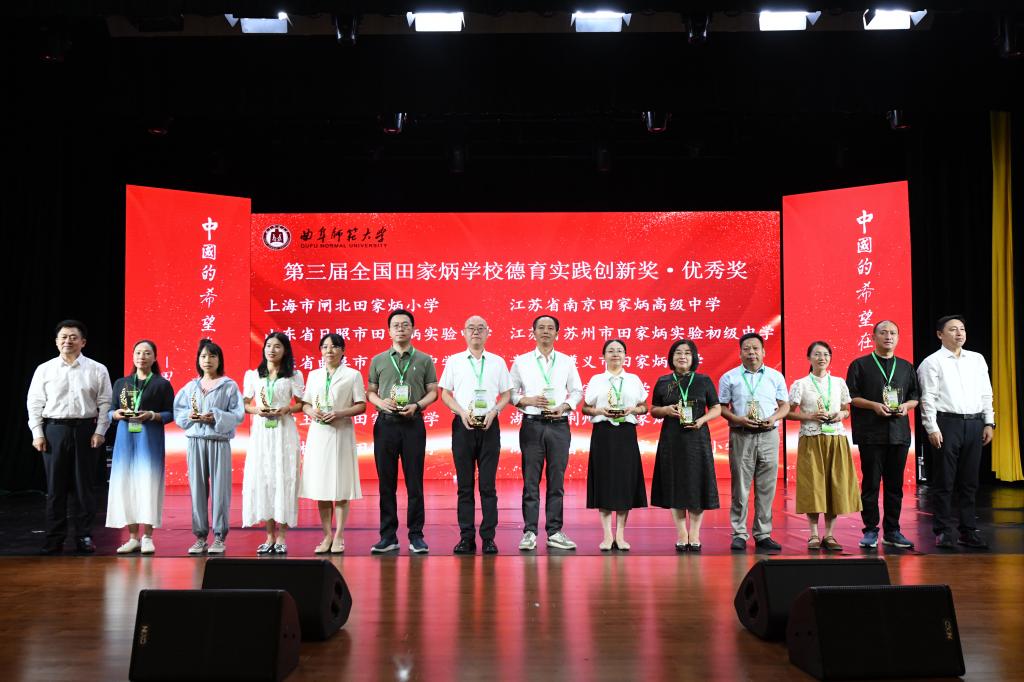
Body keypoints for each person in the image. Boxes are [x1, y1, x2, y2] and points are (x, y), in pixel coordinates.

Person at [27, 320, 112, 554]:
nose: (68, 341)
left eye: (73, 337)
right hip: (54, 431)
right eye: (63, 337)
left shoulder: (97, 369)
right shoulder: (44, 369)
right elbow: (34, 403)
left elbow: (105, 402)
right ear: (56, 342)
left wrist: (100, 431)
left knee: (85, 487)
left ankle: (84, 536)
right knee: (55, 488)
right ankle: (54, 538)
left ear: (83, 342)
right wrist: (37, 433)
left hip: (86, 431)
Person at [917, 315, 995, 550]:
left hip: (974, 422)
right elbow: (927, 398)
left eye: (962, 329)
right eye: (953, 329)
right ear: (940, 334)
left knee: (970, 481)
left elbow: (986, 393)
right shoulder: (932, 362)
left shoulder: (977, 359)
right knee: (944, 480)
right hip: (946, 423)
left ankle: (968, 530)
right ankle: (943, 531)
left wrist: (989, 422)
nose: (959, 333)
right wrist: (932, 427)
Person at [438, 315, 512, 555]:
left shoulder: (497, 362)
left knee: (488, 486)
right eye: (471, 328)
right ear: (464, 332)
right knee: (465, 486)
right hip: (463, 427)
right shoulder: (455, 361)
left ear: (488, 332)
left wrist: (494, 411)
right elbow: (445, 393)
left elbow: (507, 394)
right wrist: (461, 412)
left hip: (490, 426)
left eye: (481, 328)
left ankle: (488, 538)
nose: (476, 332)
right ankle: (466, 538)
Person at [366, 309, 438, 554]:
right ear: (389, 331)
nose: (400, 328)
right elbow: (370, 392)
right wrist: (380, 402)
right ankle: (388, 536)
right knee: (386, 484)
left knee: (414, 483)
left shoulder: (424, 359)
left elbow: (433, 391)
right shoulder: (378, 360)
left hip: (413, 424)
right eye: (395, 325)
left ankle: (416, 536)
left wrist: (417, 405)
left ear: (413, 329)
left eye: (405, 324)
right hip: (385, 425)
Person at [510, 314, 584, 551]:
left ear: (557, 334)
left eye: (550, 328)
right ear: (533, 332)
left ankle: (554, 531)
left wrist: (565, 405)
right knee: (531, 480)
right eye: (540, 327)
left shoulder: (566, 361)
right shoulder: (521, 361)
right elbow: (510, 393)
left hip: (559, 425)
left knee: (557, 481)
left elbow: (577, 391)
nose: (545, 331)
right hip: (532, 424)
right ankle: (530, 532)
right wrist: (527, 400)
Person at [846, 320, 920, 549]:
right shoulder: (860, 365)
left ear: (898, 338)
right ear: (873, 337)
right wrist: (874, 406)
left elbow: (915, 396)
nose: (889, 336)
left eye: (893, 333)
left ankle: (893, 531)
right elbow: (851, 397)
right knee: (870, 484)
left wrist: (906, 406)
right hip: (871, 433)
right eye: (883, 332)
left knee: (895, 486)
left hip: (898, 434)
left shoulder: (906, 367)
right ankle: (870, 530)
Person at [718, 332, 790, 552]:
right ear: (740, 353)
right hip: (741, 434)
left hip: (768, 434)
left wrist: (774, 418)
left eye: (755, 348)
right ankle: (739, 533)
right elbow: (721, 407)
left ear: (763, 352)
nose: (751, 352)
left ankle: (763, 534)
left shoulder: (775, 376)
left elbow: (785, 406)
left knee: (766, 487)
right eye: (747, 349)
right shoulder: (729, 377)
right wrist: (737, 419)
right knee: (740, 486)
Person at [787, 341, 860, 552]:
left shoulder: (838, 383)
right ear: (808, 358)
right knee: (813, 485)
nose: (822, 358)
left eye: (826, 354)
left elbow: (846, 410)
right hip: (812, 438)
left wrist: (840, 415)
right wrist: (810, 416)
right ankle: (813, 534)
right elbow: (788, 413)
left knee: (834, 485)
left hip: (836, 438)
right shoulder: (800, 384)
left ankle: (829, 534)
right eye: (817, 354)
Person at [172, 339, 244, 555]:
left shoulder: (229, 385)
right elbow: (179, 412)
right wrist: (191, 416)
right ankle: (200, 536)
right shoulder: (190, 386)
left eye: (212, 356)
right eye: (203, 356)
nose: (207, 360)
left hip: (219, 441)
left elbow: (238, 414)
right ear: (198, 360)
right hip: (195, 441)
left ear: (219, 360)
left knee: (221, 490)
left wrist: (216, 416)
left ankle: (219, 536)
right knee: (197, 489)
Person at [650, 339, 721, 552]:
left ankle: (695, 533)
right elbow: (653, 410)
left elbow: (716, 408)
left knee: (697, 484)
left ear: (694, 358)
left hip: (697, 438)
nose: (682, 356)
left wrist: (701, 420)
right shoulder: (663, 381)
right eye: (678, 353)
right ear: (671, 357)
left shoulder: (703, 380)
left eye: (687, 353)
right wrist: (666, 410)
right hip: (672, 440)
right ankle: (682, 533)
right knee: (676, 485)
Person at [106, 339, 175, 555]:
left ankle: (147, 537)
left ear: (154, 358)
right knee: (125, 485)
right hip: (125, 440)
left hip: (149, 440)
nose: (141, 357)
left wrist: (152, 415)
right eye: (138, 353)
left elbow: (170, 413)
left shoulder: (162, 384)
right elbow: (111, 410)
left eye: (147, 353)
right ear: (133, 356)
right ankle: (133, 537)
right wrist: (115, 414)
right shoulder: (121, 383)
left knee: (148, 484)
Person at [300, 333, 366, 554]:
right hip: (319, 434)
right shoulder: (314, 375)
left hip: (341, 433)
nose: (329, 351)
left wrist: (339, 413)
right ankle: (327, 535)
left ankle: (339, 535)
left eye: (334, 346)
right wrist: (312, 412)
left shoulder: (352, 375)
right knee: (322, 487)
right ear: (320, 351)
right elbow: (306, 404)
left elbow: (361, 405)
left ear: (343, 351)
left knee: (341, 485)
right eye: (325, 347)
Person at [581, 339, 648, 551]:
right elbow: (585, 408)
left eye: (620, 351)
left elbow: (645, 407)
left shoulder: (633, 379)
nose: (615, 354)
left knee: (624, 482)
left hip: (626, 433)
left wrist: (634, 410)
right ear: (603, 356)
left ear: (626, 356)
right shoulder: (596, 379)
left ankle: (620, 535)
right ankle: (607, 535)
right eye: (611, 351)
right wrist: (599, 411)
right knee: (604, 481)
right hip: (603, 433)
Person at [242, 332, 305, 554]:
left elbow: (301, 404)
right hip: (262, 433)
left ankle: (282, 536)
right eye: (268, 345)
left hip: (283, 432)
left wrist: (287, 408)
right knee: (265, 480)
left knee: (284, 479)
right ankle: (269, 536)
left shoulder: (293, 375)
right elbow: (245, 404)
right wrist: (256, 410)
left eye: (277, 346)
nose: (272, 350)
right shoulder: (253, 375)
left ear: (285, 350)